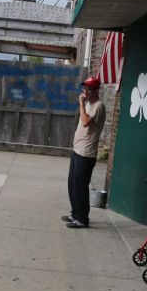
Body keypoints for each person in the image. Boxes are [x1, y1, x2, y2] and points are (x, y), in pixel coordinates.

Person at [62, 76, 107, 228]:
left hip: (86, 153)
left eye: (89, 89)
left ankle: (82, 219)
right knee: (72, 184)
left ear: (96, 91)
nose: (86, 91)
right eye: (85, 88)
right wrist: (83, 103)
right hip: (78, 149)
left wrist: (81, 103)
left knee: (80, 186)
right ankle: (75, 214)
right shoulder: (88, 103)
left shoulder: (98, 105)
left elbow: (86, 122)